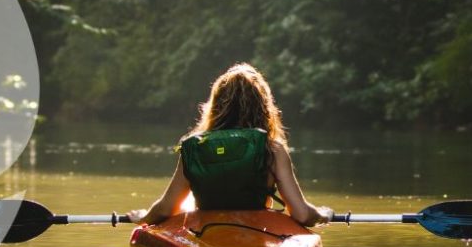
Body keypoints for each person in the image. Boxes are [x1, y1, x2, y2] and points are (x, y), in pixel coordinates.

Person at [127, 63, 331, 227]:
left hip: (206, 233)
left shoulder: (196, 148)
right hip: (257, 233)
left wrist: (144, 218)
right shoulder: (273, 150)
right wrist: (323, 215)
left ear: (216, 105)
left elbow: (166, 208)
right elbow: (302, 215)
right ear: (263, 107)